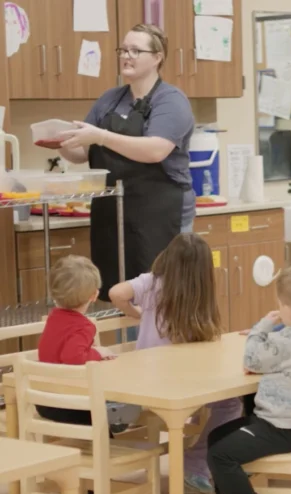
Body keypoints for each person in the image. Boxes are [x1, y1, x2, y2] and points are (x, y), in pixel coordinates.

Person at [58, 24, 196, 311]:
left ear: (157, 57)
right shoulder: (109, 100)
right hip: (114, 213)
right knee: (116, 294)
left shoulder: (170, 101)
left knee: (159, 297)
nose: (126, 56)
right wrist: (59, 142)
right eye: (123, 50)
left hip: (160, 215)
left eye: (136, 50)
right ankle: (125, 354)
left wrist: (102, 136)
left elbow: (156, 149)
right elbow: (83, 152)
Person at [109, 233, 241, 494]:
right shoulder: (197, 294)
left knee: (221, 401)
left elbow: (115, 293)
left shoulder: (151, 283)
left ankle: (197, 461)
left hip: (149, 380)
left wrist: (137, 313)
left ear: (168, 257)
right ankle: (196, 462)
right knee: (231, 403)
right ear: (203, 271)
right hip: (174, 385)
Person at [207, 263, 291, 494]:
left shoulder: (285, 341)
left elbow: (251, 360)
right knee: (216, 436)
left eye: (280, 305)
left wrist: (262, 326)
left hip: (279, 428)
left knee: (219, 455)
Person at [36, 256, 139, 431]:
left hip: (43, 402)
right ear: (94, 295)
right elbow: (72, 357)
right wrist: (98, 354)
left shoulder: (53, 318)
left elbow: (65, 351)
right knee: (127, 408)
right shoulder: (84, 326)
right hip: (73, 405)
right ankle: (108, 447)